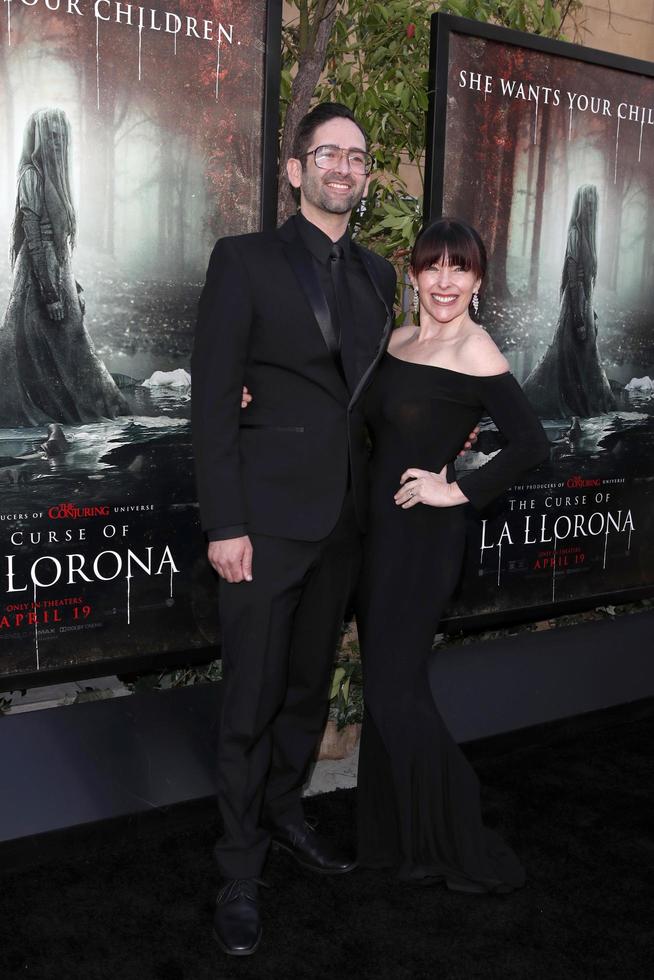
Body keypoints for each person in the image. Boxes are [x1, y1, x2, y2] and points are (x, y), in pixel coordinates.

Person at [192, 102, 399, 956]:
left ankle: (282, 814)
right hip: (264, 526)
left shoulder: (381, 275)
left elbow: (373, 394)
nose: (343, 167)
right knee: (249, 699)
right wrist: (225, 523)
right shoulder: (243, 261)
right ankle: (238, 869)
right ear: (295, 168)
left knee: (307, 690)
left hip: (344, 525)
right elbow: (211, 400)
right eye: (328, 153)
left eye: (356, 156)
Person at [355, 218, 550, 891]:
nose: (444, 281)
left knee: (391, 690)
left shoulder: (478, 351)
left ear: (477, 280)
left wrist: (457, 490)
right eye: (432, 267)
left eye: (458, 269)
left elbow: (531, 444)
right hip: (376, 538)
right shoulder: (400, 340)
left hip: (423, 542)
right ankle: (393, 843)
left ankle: (458, 829)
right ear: (413, 275)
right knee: (392, 691)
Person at [0, 107, 129, 426]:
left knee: (70, 355)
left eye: (62, 137)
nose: (57, 143)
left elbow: (59, 248)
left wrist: (72, 286)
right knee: (48, 357)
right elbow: (35, 241)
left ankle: (74, 416)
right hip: (38, 283)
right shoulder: (31, 175)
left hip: (56, 278)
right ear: (39, 138)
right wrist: (51, 294)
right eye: (51, 137)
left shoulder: (53, 180)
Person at [523, 184, 616, 418]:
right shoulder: (575, 233)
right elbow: (574, 280)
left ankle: (587, 401)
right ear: (581, 205)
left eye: (594, 203)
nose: (592, 207)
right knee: (571, 355)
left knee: (584, 356)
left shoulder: (587, 235)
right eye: (588, 203)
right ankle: (574, 403)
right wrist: (578, 317)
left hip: (584, 302)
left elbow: (586, 281)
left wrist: (589, 313)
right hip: (575, 303)